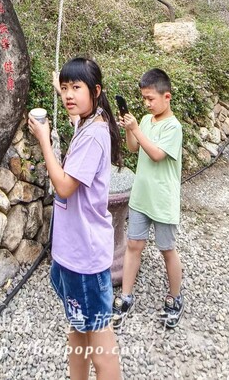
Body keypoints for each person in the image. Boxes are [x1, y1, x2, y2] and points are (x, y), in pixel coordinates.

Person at [28, 57, 123, 380]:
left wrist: (44, 139)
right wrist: (62, 87)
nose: (69, 95)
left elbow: (65, 186)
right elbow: (73, 108)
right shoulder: (88, 120)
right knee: (77, 331)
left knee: (100, 345)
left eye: (76, 88)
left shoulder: (94, 134)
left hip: (85, 259)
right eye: (65, 88)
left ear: (96, 91)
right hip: (75, 254)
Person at [112, 67, 184, 329]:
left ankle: (175, 297)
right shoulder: (145, 120)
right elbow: (134, 148)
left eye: (150, 99)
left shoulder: (173, 127)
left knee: (167, 249)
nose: (147, 104)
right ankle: (126, 295)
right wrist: (129, 129)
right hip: (141, 197)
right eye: (144, 99)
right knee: (133, 245)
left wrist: (136, 129)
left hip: (162, 200)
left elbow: (156, 154)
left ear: (167, 97)